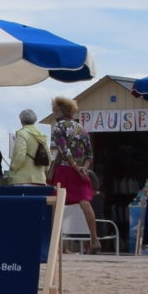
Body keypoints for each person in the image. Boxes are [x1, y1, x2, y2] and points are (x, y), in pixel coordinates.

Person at [48, 96, 96, 237]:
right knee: (85, 203)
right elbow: (90, 154)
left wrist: (75, 167)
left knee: (57, 206)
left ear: (59, 110)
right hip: (81, 171)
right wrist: (84, 168)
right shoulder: (81, 129)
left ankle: (58, 243)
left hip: (64, 171)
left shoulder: (58, 127)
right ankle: (94, 238)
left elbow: (63, 151)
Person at [7, 108, 51, 187]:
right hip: (40, 180)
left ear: (21, 120)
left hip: (22, 179)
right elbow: (49, 157)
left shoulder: (22, 133)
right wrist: (45, 170)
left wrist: (13, 168)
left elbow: (20, 155)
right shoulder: (41, 135)